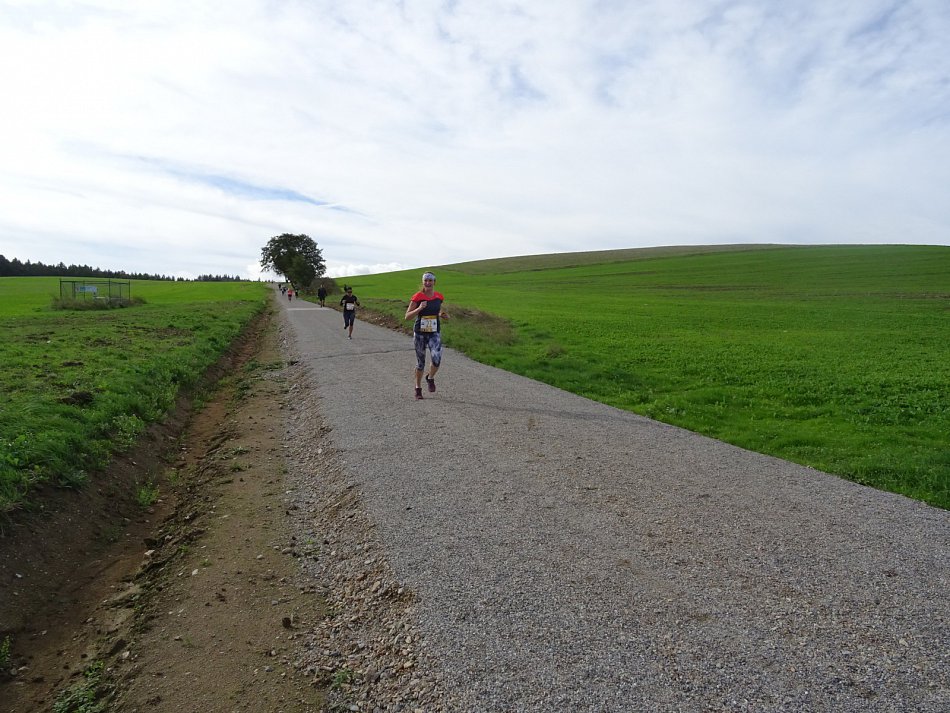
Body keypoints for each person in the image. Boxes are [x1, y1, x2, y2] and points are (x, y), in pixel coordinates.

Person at [405, 271, 447, 400]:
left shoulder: (439, 297)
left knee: (436, 359)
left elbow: (438, 310)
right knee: (421, 363)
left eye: (430, 280)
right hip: (420, 333)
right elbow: (407, 317)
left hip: (434, 332)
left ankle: (430, 377)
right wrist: (419, 309)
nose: (428, 283)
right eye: (426, 280)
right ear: (423, 282)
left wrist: (442, 315)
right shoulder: (417, 297)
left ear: (434, 282)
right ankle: (418, 388)